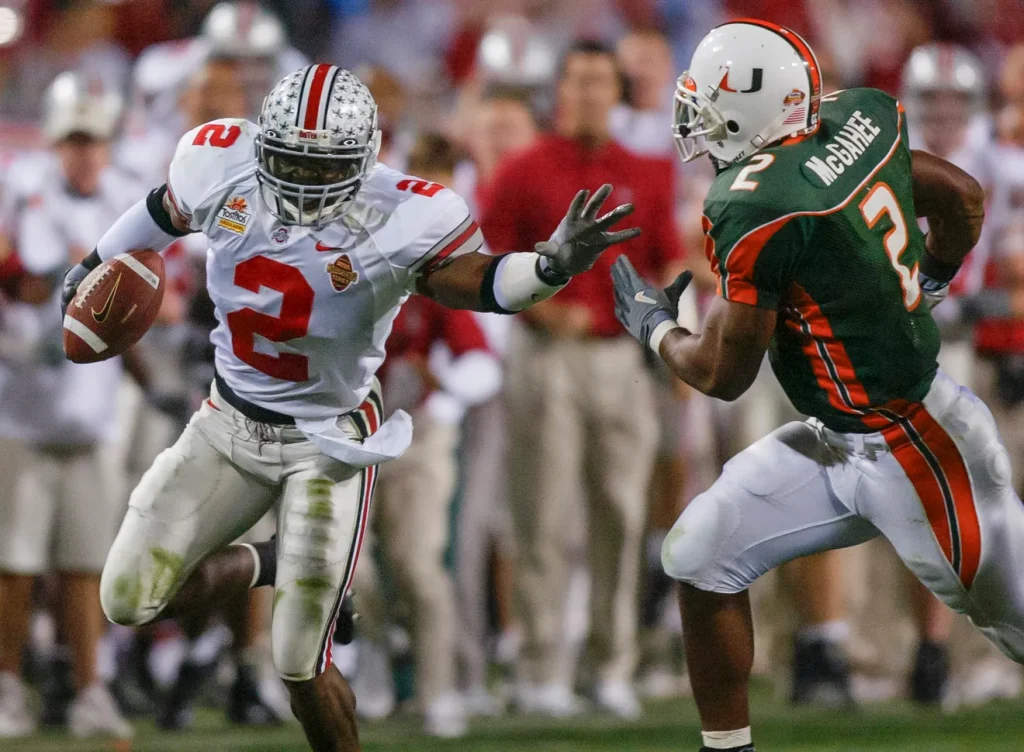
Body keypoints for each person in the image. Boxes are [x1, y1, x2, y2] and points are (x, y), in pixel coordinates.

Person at [59, 63, 640, 752]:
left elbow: (476, 283)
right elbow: (160, 212)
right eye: (290, 162)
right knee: (126, 598)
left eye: (322, 166)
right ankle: (263, 564)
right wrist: (93, 263)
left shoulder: (403, 212)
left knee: (300, 662)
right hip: (225, 420)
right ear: (263, 145)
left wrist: (547, 267)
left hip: (326, 443)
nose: (302, 181)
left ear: (365, 158)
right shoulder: (218, 159)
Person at [611, 20, 1022, 752]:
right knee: (701, 557)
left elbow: (722, 374)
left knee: (1014, 621)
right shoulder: (859, 116)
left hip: (919, 445)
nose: (698, 126)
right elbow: (960, 196)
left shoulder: (755, 203)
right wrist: (927, 279)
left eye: (708, 109)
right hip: (837, 441)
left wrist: (654, 328)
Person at [482, 39, 684, 719]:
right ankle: (541, 666)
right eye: (581, 81)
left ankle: (611, 665)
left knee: (623, 516)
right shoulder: (521, 170)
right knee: (543, 515)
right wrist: (540, 307)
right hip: (547, 357)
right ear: (560, 90)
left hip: (621, 358)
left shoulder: (649, 171)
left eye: (603, 82)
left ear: (617, 93)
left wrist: (672, 343)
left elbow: (666, 263)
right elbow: (485, 264)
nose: (592, 93)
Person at [0, 72, 138, 741]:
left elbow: (154, 295)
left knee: (86, 562)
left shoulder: (125, 200)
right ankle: (7, 688)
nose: (84, 151)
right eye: (73, 139)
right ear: (56, 140)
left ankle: (90, 689)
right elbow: (19, 275)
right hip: (18, 401)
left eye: (93, 139)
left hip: (90, 406)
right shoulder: (19, 186)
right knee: (15, 561)